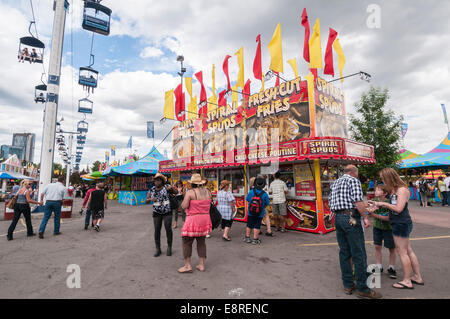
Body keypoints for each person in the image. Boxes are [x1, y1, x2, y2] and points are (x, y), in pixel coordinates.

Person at [329, 165, 382, 299]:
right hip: (351, 218)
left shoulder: (336, 182)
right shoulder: (353, 180)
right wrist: (365, 217)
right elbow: (358, 202)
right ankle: (363, 288)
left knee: (344, 252)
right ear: (354, 172)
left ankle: (348, 285)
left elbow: (330, 202)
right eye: (357, 173)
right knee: (359, 253)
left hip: (338, 217)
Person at [369, 168, 424, 289]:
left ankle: (407, 281)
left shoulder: (402, 190)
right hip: (399, 223)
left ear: (389, 177)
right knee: (408, 250)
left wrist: (383, 204)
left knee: (402, 252)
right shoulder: (395, 190)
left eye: (384, 179)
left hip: (401, 223)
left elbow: (398, 208)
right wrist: (377, 206)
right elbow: (393, 207)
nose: (383, 181)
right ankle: (417, 276)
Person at [178, 174, 212, 273]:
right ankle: (201, 265)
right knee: (201, 242)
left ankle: (187, 265)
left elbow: (184, 206)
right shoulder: (208, 192)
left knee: (186, 241)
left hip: (193, 220)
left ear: (192, 183)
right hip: (205, 219)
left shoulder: (190, 193)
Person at [368, 184, 397, 279]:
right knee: (377, 246)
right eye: (376, 190)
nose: (376, 191)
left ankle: (391, 267)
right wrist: (367, 209)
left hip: (388, 228)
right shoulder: (374, 201)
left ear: (385, 193)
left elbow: (388, 218)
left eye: (379, 190)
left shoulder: (389, 203)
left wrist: (373, 215)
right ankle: (379, 266)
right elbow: (368, 210)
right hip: (377, 227)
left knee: (391, 247)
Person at [146, 173, 173, 257]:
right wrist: (150, 199)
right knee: (157, 230)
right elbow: (146, 200)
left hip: (167, 211)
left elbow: (175, 192)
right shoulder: (152, 189)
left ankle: (169, 247)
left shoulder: (166, 187)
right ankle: (158, 249)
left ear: (162, 181)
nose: (156, 182)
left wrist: (171, 188)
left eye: (158, 180)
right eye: (155, 180)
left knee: (168, 229)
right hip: (156, 212)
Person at [245, 177, 270, 245]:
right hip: (260, 213)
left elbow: (247, 200)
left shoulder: (251, 191)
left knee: (249, 225)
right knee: (257, 225)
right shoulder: (264, 194)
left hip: (250, 212)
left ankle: (247, 238)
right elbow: (267, 203)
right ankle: (255, 239)